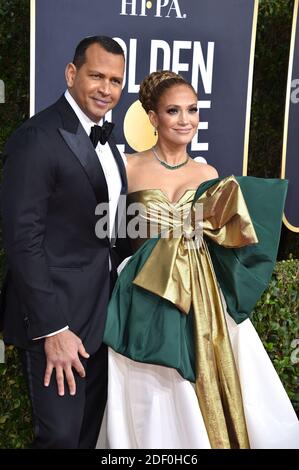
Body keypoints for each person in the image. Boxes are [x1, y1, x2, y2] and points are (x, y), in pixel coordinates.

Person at [102, 70, 299, 449]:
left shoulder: (207, 173)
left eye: (191, 110)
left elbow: (229, 237)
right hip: (145, 291)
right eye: (173, 111)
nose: (185, 119)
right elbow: (109, 234)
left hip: (203, 294)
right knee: (155, 389)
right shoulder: (127, 167)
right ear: (153, 117)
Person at [0, 36, 127, 449]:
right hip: (59, 322)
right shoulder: (36, 138)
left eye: (115, 80)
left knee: (90, 437)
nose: (106, 89)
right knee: (60, 440)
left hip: (101, 319)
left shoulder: (108, 141)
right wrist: (53, 329)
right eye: (96, 76)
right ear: (72, 74)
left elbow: (109, 234)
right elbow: (23, 241)